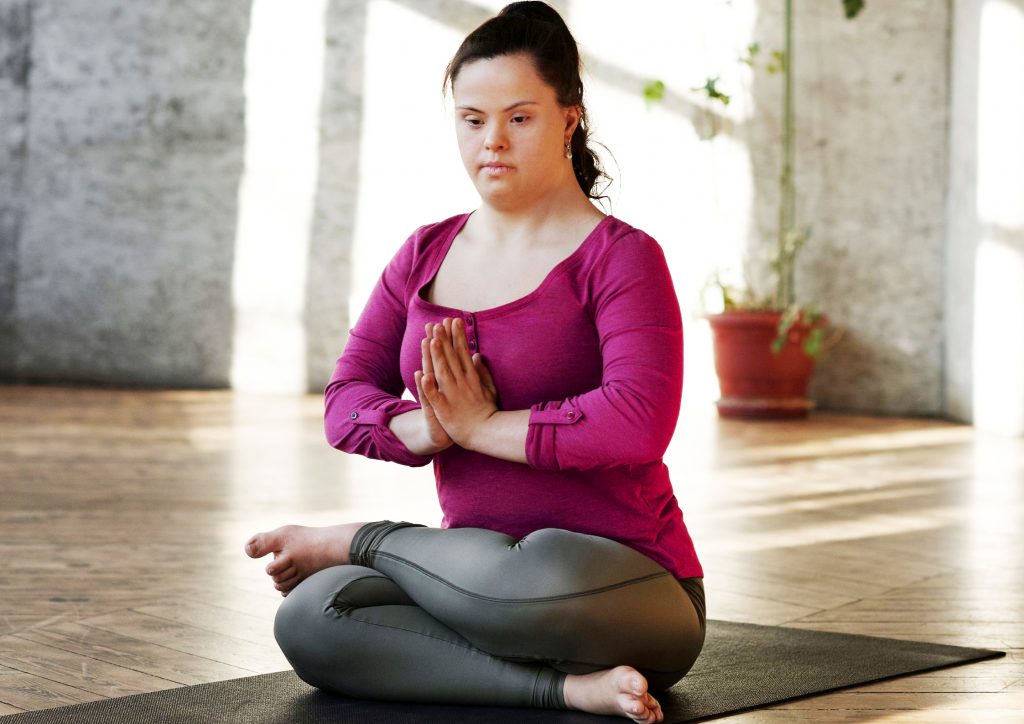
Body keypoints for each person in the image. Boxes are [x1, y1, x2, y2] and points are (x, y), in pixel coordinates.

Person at [244, 3, 705, 722]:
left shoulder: (622, 258)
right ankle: (562, 690)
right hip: (469, 577)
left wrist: (481, 425)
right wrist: (428, 430)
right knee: (311, 615)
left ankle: (360, 542)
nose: (493, 141)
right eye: (472, 119)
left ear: (569, 120)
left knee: (538, 565)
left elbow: (636, 422)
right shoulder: (424, 253)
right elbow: (346, 397)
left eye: (519, 118)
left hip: (622, 587)